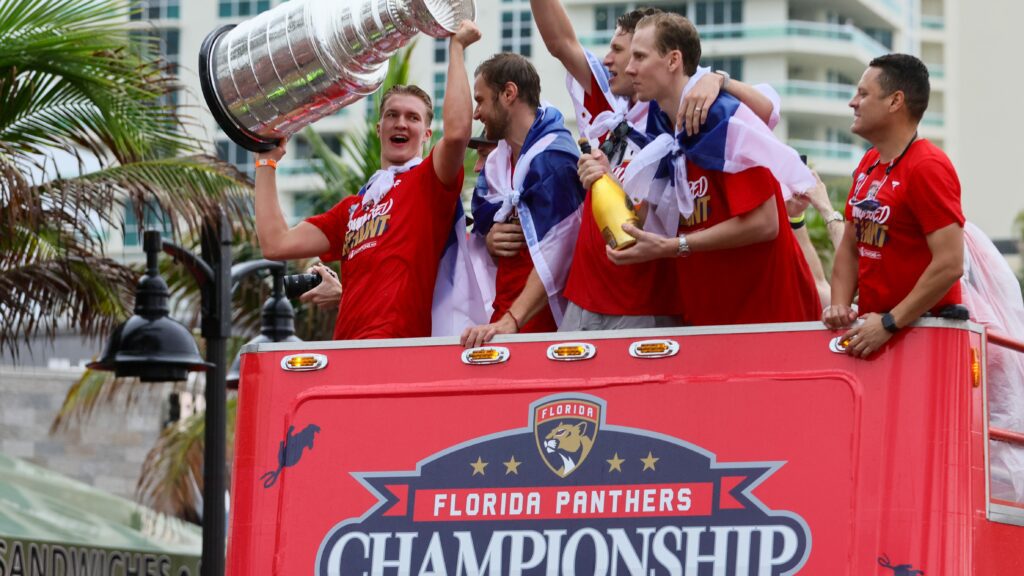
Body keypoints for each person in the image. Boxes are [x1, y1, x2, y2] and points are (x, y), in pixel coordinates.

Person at [529, 2, 779, 330]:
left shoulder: (679, 115)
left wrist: (718, 79)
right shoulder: (609, 105)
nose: (612, 62)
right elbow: (560, 43)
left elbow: (767, 112)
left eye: (627, 53)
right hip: (585, 296)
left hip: (647, 303)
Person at [582, 12, 820, 326]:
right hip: (707, 320)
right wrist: (606, 180)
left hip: (767, 318)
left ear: (673, 61)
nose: (629, 67)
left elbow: (765, 223)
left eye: (639, 56)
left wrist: (674, 247)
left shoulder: (723, 119)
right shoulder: (660, 127)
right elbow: (649, 217)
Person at [251, 20, 480, 340]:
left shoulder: (428, 182)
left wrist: (456, 49)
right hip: (347, 354)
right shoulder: (352, 208)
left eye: (413, 118)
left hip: (400, 355)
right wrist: (265, 161)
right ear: (379, 128)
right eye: (392, 115)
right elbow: (276, 243)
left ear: (427, 135)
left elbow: (457, 135)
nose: (401, 123)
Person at [823, 54, 965, 358]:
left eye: (863, 94)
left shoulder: (928, 166)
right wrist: (839, 306)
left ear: (895, 101)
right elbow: (851, 247)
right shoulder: (869, 162)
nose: (853, 102)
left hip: (923, 337)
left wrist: (890, 322)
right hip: (874, 336)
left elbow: (950, 263)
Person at [460, 53, 585, 348]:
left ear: (508, 93)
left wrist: (512, 320)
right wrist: (489, 240)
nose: (476, 113)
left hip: (546, 329)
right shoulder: (497, 166)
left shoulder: (555, 160)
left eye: (480, 100)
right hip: (504, 320)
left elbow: (561, 253)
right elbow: (483, 229)